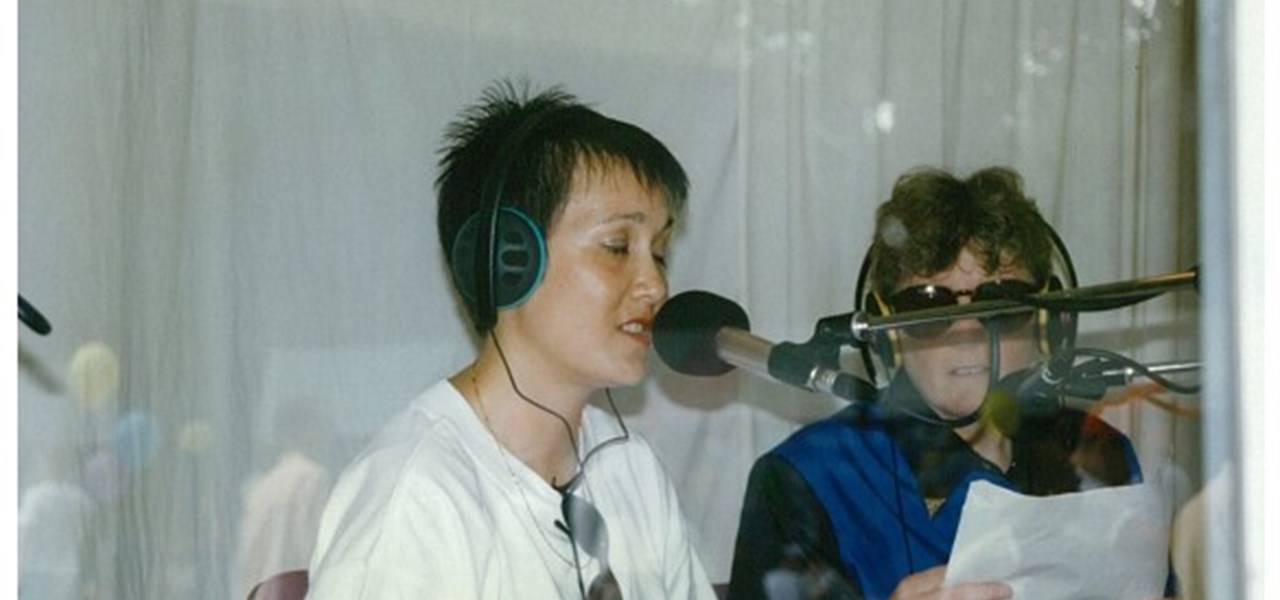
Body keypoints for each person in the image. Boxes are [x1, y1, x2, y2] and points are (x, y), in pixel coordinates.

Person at [307, 81, 715, 599]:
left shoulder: (629, 466)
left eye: (658, 253)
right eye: (617, 246)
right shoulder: (416, 497)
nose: (655, 285)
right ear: (510, 259)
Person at [727, 166, 1143, 600]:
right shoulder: (808, 477)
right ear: (890, 333)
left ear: (1048, 318)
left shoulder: (1095, 451)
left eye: (999, 303)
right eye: (928, 305)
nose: (966, 331)